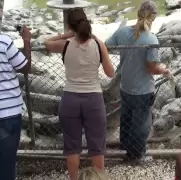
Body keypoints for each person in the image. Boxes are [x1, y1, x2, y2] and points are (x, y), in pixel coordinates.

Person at [44, 8, 115, 180]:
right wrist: (102, 48)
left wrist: (63, 35)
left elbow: (46, 42)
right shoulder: (98, 44)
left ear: (70, 26)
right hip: (93, 100)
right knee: (97, 146)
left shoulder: (66, 44)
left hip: (70, 99)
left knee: (72, 147)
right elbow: (110, 73)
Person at [105, 0, 170, 163]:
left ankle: (125, 147)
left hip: (126, 87)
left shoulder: (122, 32)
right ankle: (136, 155)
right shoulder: (151, 39)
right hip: (143, 90)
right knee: (141, 124)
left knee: (126, 118)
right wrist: (163, 70)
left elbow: (105, 46)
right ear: (153, 18)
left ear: (138, 13)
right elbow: (151, 68)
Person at [0, 26, 32, 180]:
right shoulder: (4, 42)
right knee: (6, 164)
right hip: (8, 114)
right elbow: (25, 67)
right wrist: (26, 40)